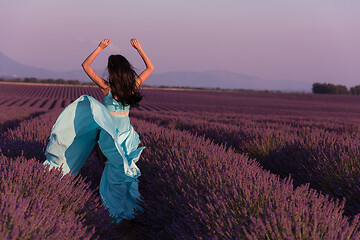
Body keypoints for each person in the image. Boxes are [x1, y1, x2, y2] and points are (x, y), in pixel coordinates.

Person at [43, 38, 154, 222]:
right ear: (126, 71)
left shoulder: (106, 88)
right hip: (127, 136)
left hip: (108, 137)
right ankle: (127, 207)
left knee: (110, 170)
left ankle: (112, 208)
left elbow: (86, 66)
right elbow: (150, 68)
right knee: (125, 172)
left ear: (112, 71)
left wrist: (100, 48)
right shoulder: (132, 87)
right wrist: (140, 50)